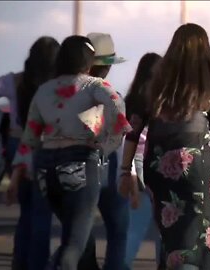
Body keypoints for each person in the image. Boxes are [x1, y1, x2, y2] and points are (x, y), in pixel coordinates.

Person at [118, 23, 210, 270]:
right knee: (201, 237)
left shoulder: (154, 88)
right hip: (198, 172)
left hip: (159, 171)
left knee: (172, 237)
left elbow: (132, 133)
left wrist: (126, 172)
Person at [8, 35, 131, 270]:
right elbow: (120, 121)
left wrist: (15, 179)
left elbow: (29, 138)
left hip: (47, 169)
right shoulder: (96, 87)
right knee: (73, 247)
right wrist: (105, 147)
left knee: (75, 236)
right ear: (88, 62)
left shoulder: (44, 90)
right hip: (80, 164)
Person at [0, 36, 59, 270]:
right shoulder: (57, 85)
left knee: (26, 211)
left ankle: (20, 263)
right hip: (44, 147)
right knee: (41, 213)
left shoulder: (14, 80)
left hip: (17, 146)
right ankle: (37, 264)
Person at [80, 32, 128, 270]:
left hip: (80, 173)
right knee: (119, 230)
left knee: (82, 232)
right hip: (109, 173)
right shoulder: (115, 97)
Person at [123, 52, 163, 269]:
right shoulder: (158, 102)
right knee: (161, 227)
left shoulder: (128, 100)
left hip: (128, 163)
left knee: (132, 226)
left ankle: (120, 263)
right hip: (150, 165)